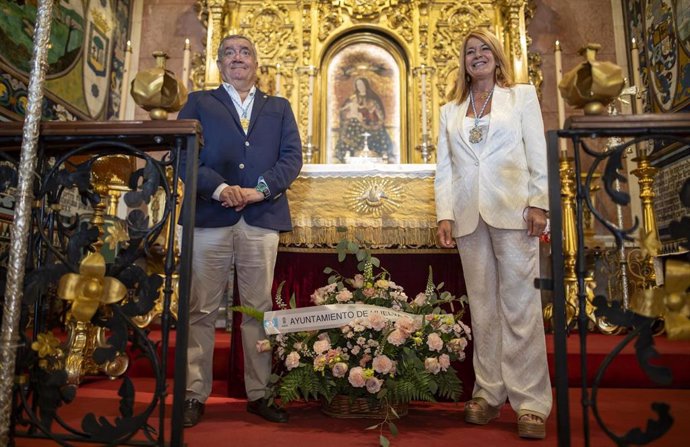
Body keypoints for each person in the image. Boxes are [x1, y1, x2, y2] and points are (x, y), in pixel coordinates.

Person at [178, 34, 303, 427]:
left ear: (256, 63)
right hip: (210, 216)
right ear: (219, 63)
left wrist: (259, 189)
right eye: (229, 52)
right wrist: (218, 188)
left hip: (260, 217)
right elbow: (183, 152)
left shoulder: (279, 107)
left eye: (245, 52)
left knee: (258, 309)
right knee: (200, 308)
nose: (237, 58)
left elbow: (292, 157)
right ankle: (193, 394)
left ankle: (259, 392)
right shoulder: (201, 101)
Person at [434, 28, 552, 439]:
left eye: (485, 49)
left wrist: (540, 202)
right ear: (463, 62)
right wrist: (444, 214)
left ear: (497, 57)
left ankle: (531, 402)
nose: (478, 56)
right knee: (482, 307)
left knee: (520, 306)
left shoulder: (520, 97)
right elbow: (445, 168)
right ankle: (488, 392)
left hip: (514, 211)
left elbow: (537, 152)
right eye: (470, 51)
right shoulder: (451, 110)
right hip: (468, 217)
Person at [334, 77, 394, 162]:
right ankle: (350, 153)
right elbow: (343, 111)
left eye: (361, 84)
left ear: (365, 85)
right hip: (356, 123)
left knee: (380, 130)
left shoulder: (373, 98)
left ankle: (381, 154)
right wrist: (352, 115)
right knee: (352, 123)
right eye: (358, 85)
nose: (360, 86)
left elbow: (379, 114)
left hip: (372, 123)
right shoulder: (353, 97)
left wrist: (373, 119)